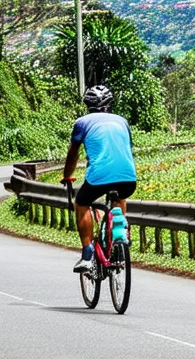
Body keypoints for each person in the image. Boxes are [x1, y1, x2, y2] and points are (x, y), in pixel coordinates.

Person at [62, 85, 137, 273]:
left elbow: (73, 154)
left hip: (99, 176)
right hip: (128, 176)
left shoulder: (82, 122)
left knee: (81, 203)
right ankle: (119, 234)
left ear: (87, 103)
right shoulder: (122, 121)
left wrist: (66, 175)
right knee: (119, 197)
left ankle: (87, 254)